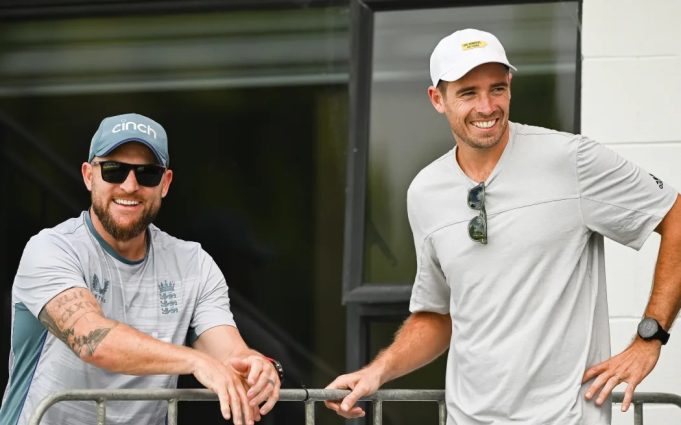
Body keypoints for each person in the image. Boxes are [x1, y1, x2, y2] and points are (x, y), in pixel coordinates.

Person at [325, 28, 681, 424]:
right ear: (437, 99)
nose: (486, 106)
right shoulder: (425, 192)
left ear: (510, 86)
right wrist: (377, 371)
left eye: (497, 88)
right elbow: (437, 316)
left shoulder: (571, 160)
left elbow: (676, 217)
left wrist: (650, 337)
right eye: (468, 93)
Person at [0, 113, 283, 425]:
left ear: (165, 183)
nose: (130, 185)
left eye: (148, 174)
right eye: (114, 170)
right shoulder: (51, 248)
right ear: (89, 176)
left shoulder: (193, 263)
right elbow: (92, 340)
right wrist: (196, 361)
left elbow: (228, 352)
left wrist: (255, 365)